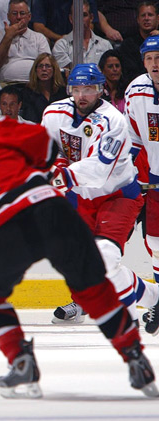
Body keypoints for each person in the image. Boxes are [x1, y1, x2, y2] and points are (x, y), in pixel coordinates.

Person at [0, 111, 158, 398]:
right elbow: (43, 144)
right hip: (49, 206)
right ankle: (134, 355)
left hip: (1, 227)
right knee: (93, 286)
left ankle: (20, 359)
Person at [42, 63, 159, 325]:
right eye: (77, 89)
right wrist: (55, 166)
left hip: (117, 196)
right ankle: (153, 296)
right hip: (79, 198)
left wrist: (64, 176)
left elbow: (101, 167)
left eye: (90, 89)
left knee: (104, 258)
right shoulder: (53, 113)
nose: (82, 95)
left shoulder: (114, 121)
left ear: (101, 90)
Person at [125, 34, 159, 335]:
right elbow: (133, 139)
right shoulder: (135, 90)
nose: (155, 64)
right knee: (156, 245)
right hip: (156, 182)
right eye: (150, 58)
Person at [0, 0, 51, 85]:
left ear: (29, 16)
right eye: (14, 13)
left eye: (22, 13)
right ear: (8, 16)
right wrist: (8, 37)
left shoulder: (39, 38)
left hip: (34, 84)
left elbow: (46, 65)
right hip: (6, 84)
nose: (18, 17)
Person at [51, 0, 113, 71]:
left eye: (84, 15)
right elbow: (66, 76)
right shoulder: (61, 46)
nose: (80, 19)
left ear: (91, 17)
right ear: (71, 19)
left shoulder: (105, 45)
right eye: (77, 15)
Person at [20, 53, 68, 124]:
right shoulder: (27, 92)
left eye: (48, 66)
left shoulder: (62, 92)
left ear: (54, 69)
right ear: (36, 70)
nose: (44, 69)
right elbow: (29, 118)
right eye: (40, 66)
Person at [119, 1, 159, 84]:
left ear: (158, 18)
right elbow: (130, 74)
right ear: (138, 19)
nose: (146, 18)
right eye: (143, 15)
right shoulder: (128, 45)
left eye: (150, 15)